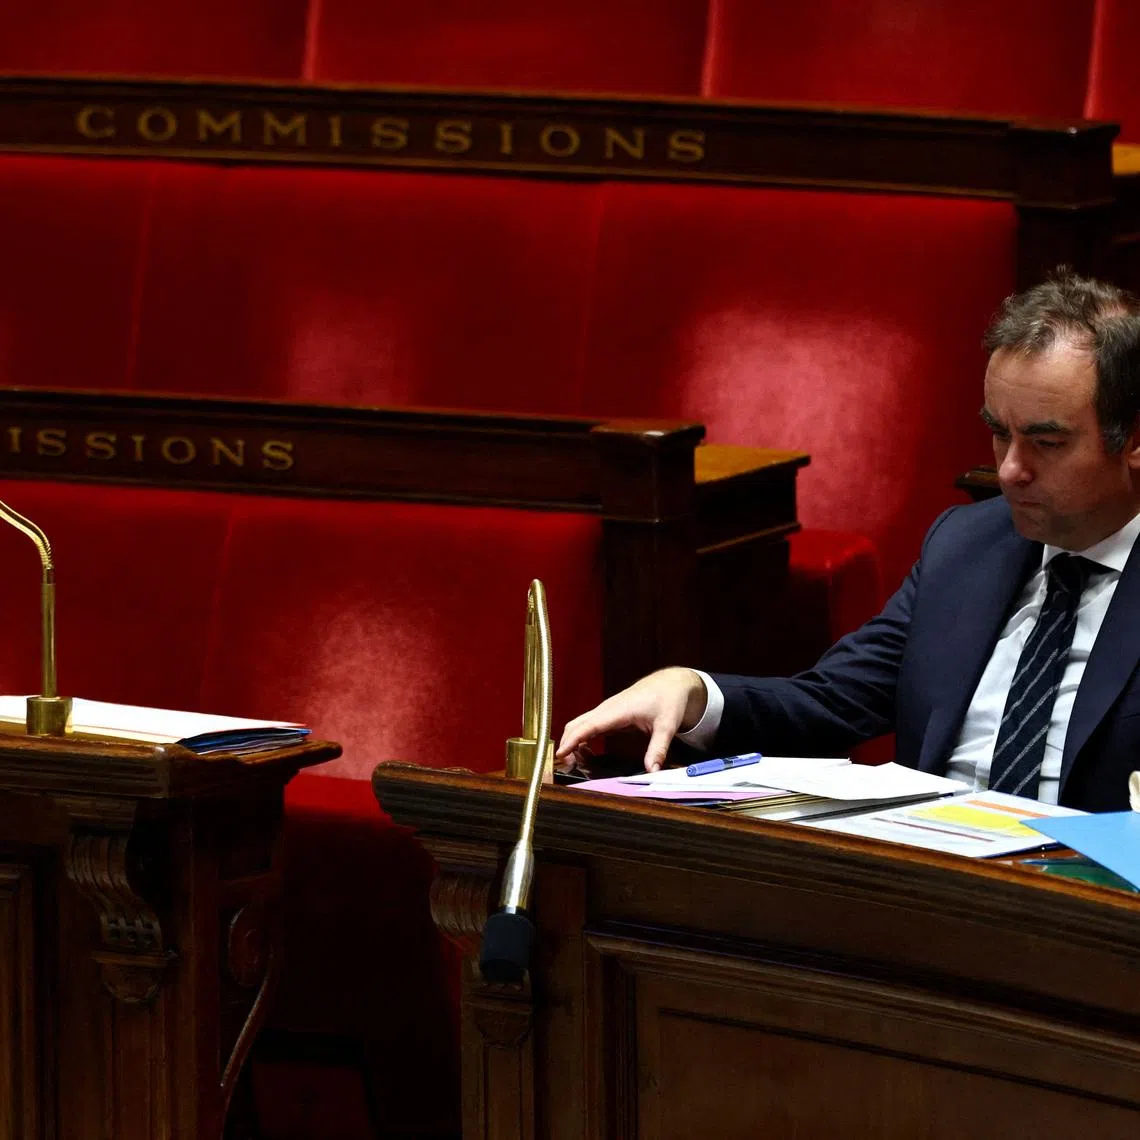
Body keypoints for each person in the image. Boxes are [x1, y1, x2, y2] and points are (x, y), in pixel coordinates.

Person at [556, 272, 1140, 813]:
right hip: (934, 886)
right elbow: (833, 701)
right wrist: (693, 693)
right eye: (998, 433)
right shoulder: (967, 546)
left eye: (1047, 442)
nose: (1011, 470)